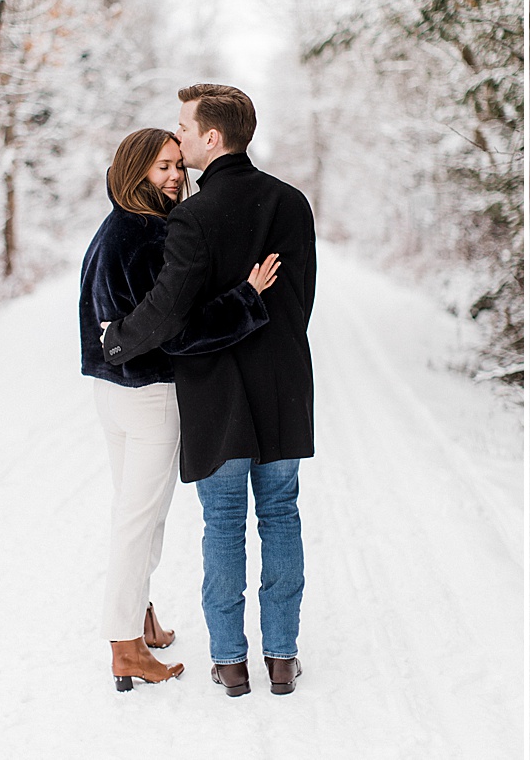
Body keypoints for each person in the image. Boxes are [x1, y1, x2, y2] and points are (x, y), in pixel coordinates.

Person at [102, 84, 317, 698]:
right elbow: (300, 303)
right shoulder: (293, 203)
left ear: (212, 138)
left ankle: (229, 663)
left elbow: (170, 317)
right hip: (282, 386)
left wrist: (117, 340)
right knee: (280, 517)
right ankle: (282, 658)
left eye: (186, 129)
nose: (182, 139)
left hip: (214, 393)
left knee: (222, 523)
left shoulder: (191, 218)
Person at [80, 128, 279, 692]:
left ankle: (138, 615)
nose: (174, 176)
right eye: (160, 167)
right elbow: (176, 331)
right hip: (147, 396)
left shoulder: (114, 224)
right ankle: (125, 646)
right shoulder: (147, 235)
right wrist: (246, 299)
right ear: (135, 169)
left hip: (112, 393)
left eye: (176, 165)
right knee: (141, 520)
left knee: (136, 511)